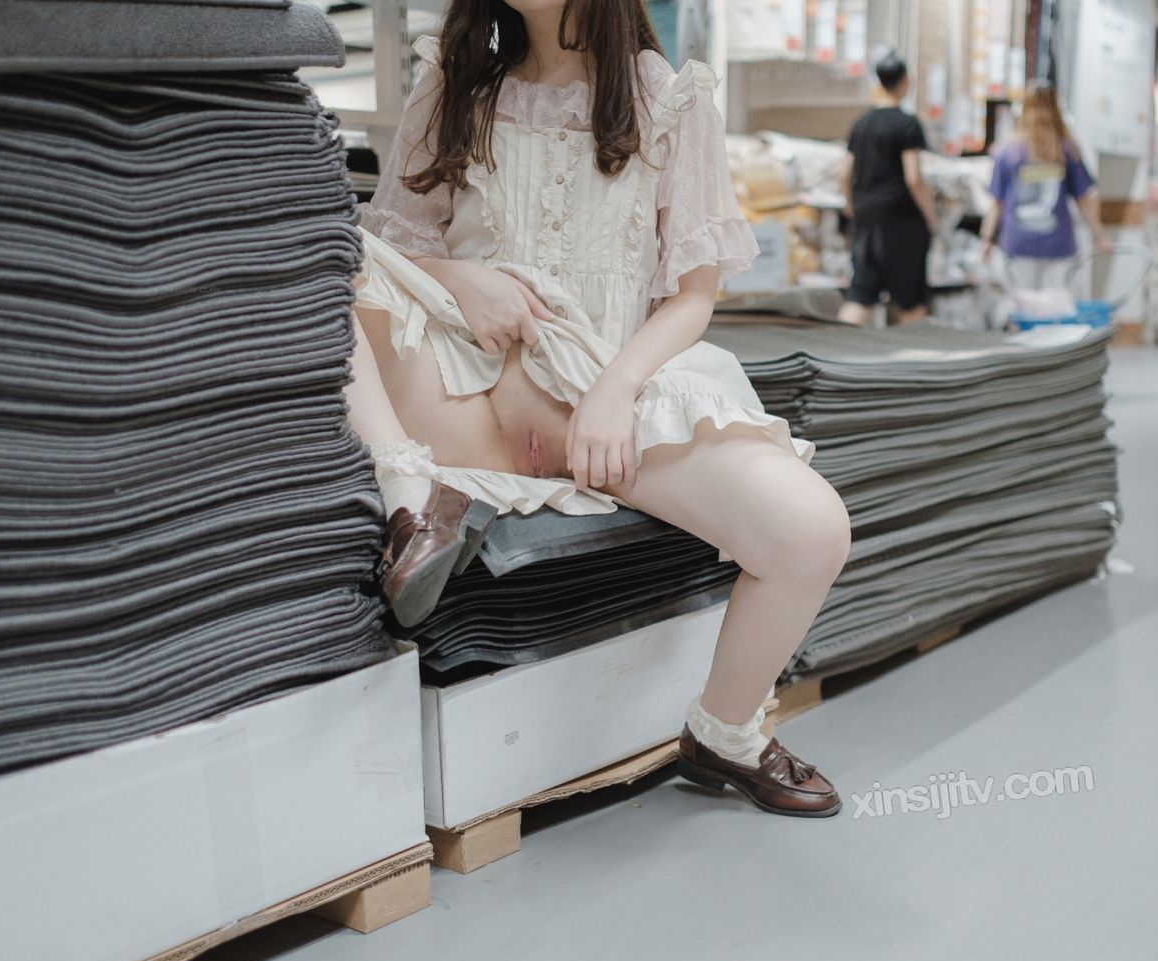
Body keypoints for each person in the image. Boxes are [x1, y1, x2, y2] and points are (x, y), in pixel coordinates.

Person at [342, 0, 851, 817]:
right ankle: (413, 500)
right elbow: (391, 244)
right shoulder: (455, 84)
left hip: (597, 400)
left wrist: (616, 388)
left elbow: (693, 297)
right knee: (325, 262)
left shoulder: (670, 99)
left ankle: (725, 733)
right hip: (459, 394)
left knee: (812, 529)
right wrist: (461, 279)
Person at [980, 82, 1110, 293]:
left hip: (1018, 244)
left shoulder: (1007, 151)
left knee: (1022, 306)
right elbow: (1084, 198)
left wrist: (986, 239)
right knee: (1056, 308)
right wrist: (1099, 234)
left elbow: (996, 203)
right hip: (1057, 245)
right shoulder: (1066, 149)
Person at [837, 53, 936, 326]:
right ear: (905, 81)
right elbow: (913, 178)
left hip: (867, 218)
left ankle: (837, 343)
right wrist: (930, 216)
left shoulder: (862, 123)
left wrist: (852, 208)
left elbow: (843, 173)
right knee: (910, 303)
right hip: (901, 221)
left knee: (861, 295)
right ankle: (916, 353)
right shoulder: (907, 123)